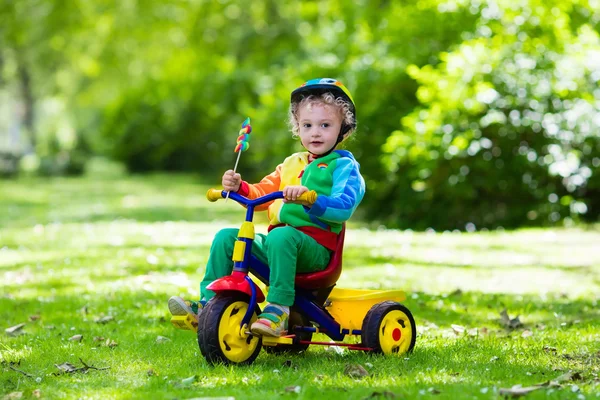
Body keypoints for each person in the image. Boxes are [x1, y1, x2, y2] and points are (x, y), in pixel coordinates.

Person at [168, 78, 366, 337]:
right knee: (227, 238)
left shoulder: (344, 167)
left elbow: (344, 206)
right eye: (307, 125)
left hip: (316, 250)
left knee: (281, 236)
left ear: (344, 128)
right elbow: (262, 192)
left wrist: (312, 199)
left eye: (325, 125)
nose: (315, 132)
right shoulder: (291, 163)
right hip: (279, 244)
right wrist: (239, 187)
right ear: (298, 128)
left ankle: (278, 308)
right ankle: (208, 304)